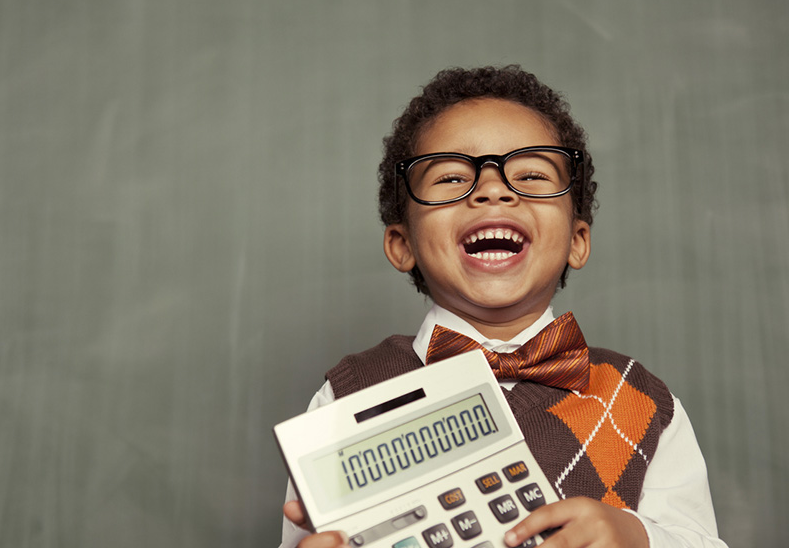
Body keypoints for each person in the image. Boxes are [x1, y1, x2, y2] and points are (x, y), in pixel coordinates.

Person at [280, 66, 727, 548]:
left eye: (531, 175)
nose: (493, 190)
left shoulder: (640, 400)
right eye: (452, 177)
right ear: (402, 244)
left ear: (577, 241)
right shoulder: (346, 397)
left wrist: (637, 537)